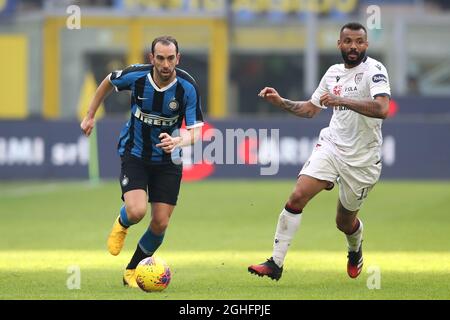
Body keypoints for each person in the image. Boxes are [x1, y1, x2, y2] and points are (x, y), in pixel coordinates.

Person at [248, 22, 391, 281]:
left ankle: (354, 248)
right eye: (347, 41)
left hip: (363, 159)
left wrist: (341, 100)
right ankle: (275, 263)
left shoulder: (375, 71)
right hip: (332, 146)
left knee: (344, 222)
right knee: (297, 196)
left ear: (366, 45)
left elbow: (382, 109)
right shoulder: (333, 73)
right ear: (339, 44)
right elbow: (311, 109)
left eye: (359, 41)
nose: (353, 46)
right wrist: (280, 102)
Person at [80, 36, 204, 287]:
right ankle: (122, 222)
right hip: (135, 153)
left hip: (168, 160)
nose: (166, 64)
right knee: (137, 211)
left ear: (177, 59)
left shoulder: (187, 87)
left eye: (171, 58)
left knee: (160, 222)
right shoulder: (135, 76)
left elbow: (197, 131)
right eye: (160, 58)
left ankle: (132, 272)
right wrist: (90, 115)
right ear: (152, 59)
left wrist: (178, 141)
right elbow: (107, 81)